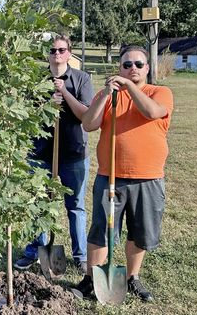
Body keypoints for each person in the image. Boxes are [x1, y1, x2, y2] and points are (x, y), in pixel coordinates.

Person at [72, 45, 173, 302]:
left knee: (139, 233)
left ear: (147, 68)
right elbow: (89, 123)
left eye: (138, 64)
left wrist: (130, 88)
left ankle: (132, 278)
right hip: (111, 178)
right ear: (120, 68)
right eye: (127, 65)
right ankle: (90, 279)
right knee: (101, 230)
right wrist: (106, 93)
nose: (132, 69)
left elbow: (151, 112)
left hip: (148, 178)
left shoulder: (159, 93)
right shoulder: (110, 96)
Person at [14, 35, 93, 274]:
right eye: (52, 50)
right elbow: (26, 117)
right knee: (37, 204)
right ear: (48, 54)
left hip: (73, 154)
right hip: (40, 155)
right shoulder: (37, 81)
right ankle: (36, 250)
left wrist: (65, 95)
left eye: (61, 50)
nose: (56, 54)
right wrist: (48, 102)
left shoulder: (82, 79)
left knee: (76, 206)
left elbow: (86, 116)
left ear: (69, 53)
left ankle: (80, 256)